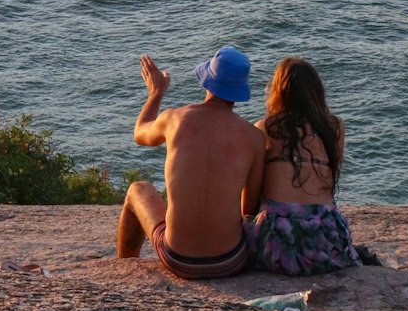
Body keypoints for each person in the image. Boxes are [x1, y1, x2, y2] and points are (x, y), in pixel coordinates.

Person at [117, 47, 265, 279]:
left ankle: (123, 271)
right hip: (231, 260)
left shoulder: (174, 118)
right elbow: (250, 210)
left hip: (177, 259)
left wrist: (156, 92)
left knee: (138, 189)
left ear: (207, 81)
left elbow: (140, 133)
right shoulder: (254, 137)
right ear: (240, 91)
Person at [244, 57, 360, 275]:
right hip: (325, 241)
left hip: (276, 243)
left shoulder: (264, 128)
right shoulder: (335, 128)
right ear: (317, 92)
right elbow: (330, 181)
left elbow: (249, 202)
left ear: (278, 92)